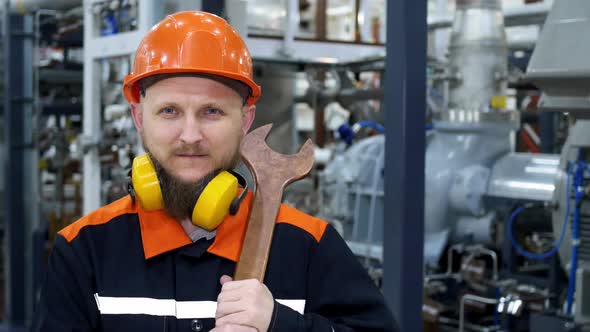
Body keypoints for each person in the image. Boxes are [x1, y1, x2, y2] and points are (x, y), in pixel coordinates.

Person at [33, 11, 398, 332]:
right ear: (138, 118)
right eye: (169, 111)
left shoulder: (308, 245)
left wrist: (281, 323)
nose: (190, 136)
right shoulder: (83, 250)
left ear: (246, 121)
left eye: (212, 112)